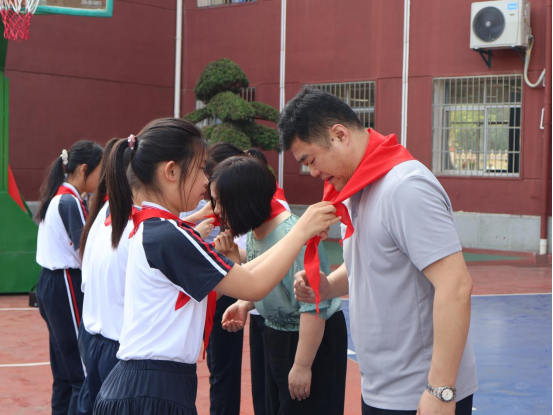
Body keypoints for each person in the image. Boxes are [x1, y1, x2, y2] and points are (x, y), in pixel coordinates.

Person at [93, 118, 338, 415]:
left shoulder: (155, 228)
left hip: (149, 384)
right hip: (154, 390)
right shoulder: (169, 235)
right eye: (200, 169)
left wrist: (296, 235)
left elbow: (243, 274)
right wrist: (301, 231)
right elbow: (252, 284)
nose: (204, 182)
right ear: (171, 171)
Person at [285, 88, 478, 415]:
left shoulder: (405, 187)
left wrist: (441, 390)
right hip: (380, 386)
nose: (313, 172)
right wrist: (327, 286)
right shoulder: (354, 190)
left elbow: (455, 286)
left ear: (339, 135)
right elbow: (369, 264)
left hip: (421, 391)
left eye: (311, 160)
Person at [212, 156, 348, 415]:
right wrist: (245, 303)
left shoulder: (291, 233)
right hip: (276, 334)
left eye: (220, 201)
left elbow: (313, 304)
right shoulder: (256, 230)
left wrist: (302, 365)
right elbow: (270, 280)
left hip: (309, 340)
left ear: (243, 198)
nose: (216, 210)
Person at [36, 140, 104, 415]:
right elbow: (86, 251)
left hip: (51, 283)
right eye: (100, 170)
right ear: (85, 169)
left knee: (64, 374)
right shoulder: (69, 201)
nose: (102, 177)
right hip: (65, 283)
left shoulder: (60, 197)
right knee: (81, 373)